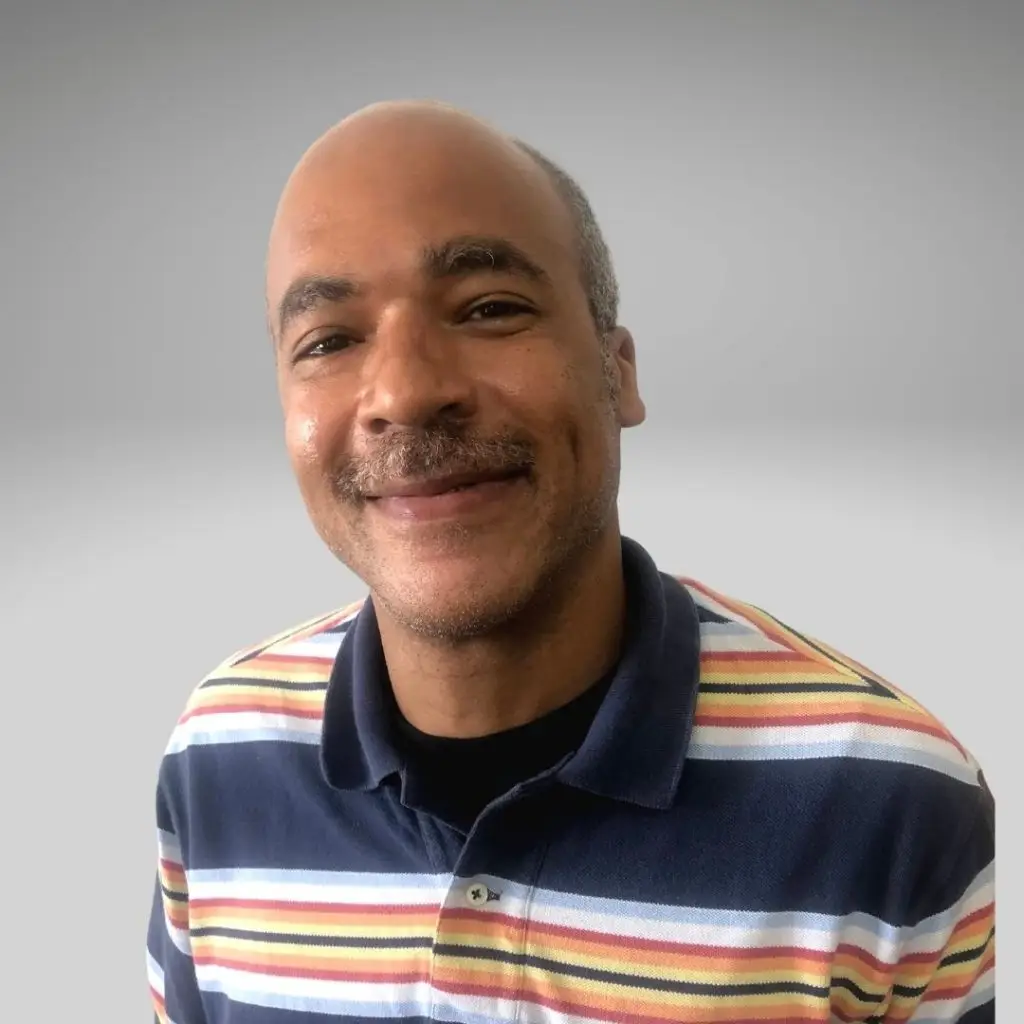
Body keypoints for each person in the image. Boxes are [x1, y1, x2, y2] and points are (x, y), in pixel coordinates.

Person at [146, 100, 994, 1023]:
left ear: (617, 370)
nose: (406, 392)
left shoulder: (892, 799)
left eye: (489, 308)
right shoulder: (216, 757)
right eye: (330, 340)